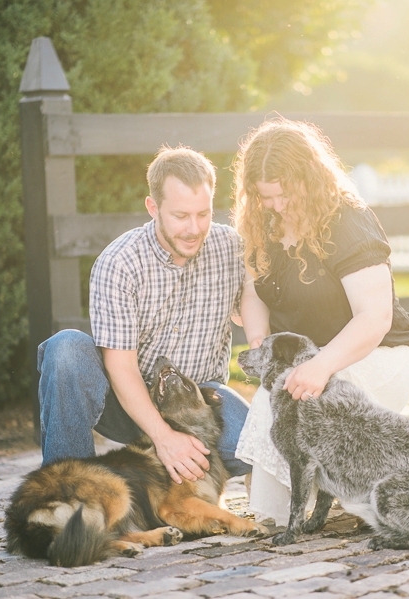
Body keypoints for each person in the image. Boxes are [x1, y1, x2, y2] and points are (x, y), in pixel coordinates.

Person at [231, 118, 409, 524]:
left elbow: (376, 317)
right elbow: (253, 292)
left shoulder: (347, 221)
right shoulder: (262, 223)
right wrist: (263, 347)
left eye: (284, 194)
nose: (276, 206)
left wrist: (321, 365)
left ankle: (365, 486)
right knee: (277, 397)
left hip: (375, 355)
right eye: (266, 197)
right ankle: (289, 504)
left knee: (316, 396)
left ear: (308, 179)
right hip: (308, 360)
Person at [37, 146, 251, 484]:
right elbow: (121, 368)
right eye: (181, 216)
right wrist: (164, 439)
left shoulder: (232, 247)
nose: (194, 228)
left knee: (256, 444)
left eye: (203, 214)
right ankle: (69, 487)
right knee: (66, 348)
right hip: (125, 403)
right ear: (153, 207)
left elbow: (253, 314)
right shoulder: (119, 263)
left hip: (197, 401)